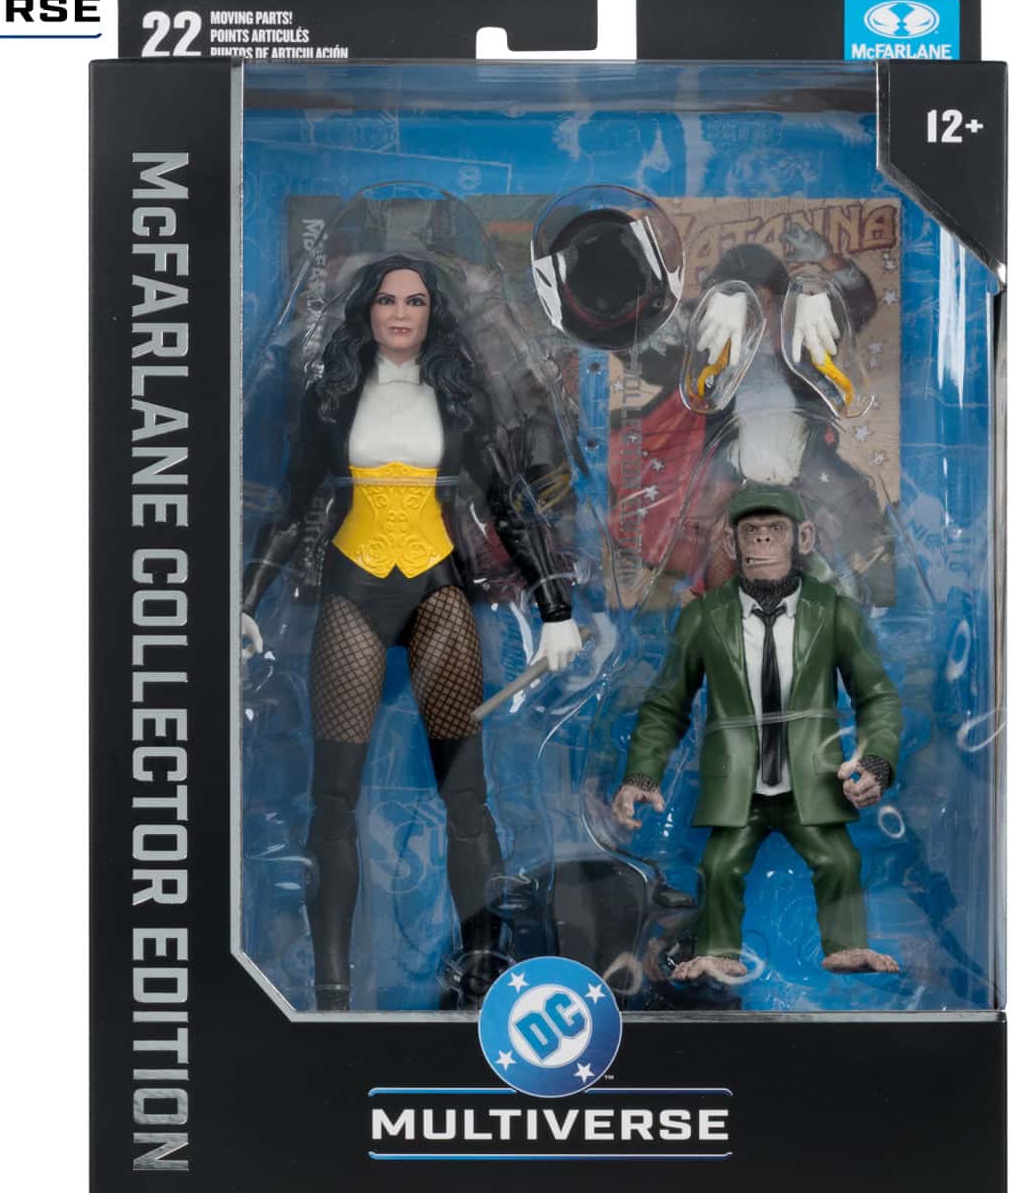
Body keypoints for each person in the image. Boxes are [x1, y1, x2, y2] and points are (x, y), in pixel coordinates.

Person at [241, 255, 580, 1010]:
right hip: (353, 589)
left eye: (416, 300)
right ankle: (331, 992)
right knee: (333, 798)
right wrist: (247, 602)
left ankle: (484, 973)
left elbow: (510, 504)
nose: (400, 313)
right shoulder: (333, 400)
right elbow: (293, 503)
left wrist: (555, 608)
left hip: (436, 589)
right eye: (388, 299)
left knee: (467, 793)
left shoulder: (460, 400)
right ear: (366, 309)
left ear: (434, 312)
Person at [612, 484, 901, 981]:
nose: (763, 541)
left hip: (811, 780)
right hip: (738, 784)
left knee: (839, 860)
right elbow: (665, 705)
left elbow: (877, 697)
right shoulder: (704, 618)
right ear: (730, 543)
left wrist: (875, 761)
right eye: (751, 531)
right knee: (719, 867)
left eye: (775, 530)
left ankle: (849, 946)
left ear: (803, 538)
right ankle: (715, 952)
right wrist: (641, 775)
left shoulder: (835, 612)